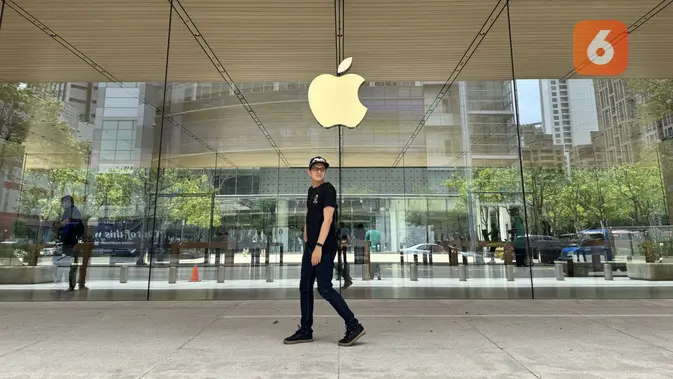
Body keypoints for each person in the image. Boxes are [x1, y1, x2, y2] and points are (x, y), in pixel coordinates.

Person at [284, 156, 365, 347]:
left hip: (324, 247)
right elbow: (311, 215)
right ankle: (305, 330)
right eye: (315, 168)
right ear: (309, 171)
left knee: (325, 288)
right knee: (305, 287)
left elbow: (327, 219)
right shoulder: (311, 191)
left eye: (322, 168)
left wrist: (319, 246)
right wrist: (306, 233)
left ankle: (354, 325)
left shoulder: (328, 189)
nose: (319, 171)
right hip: (311, 246)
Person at [55, 195, 84, 291]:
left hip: (70, 242)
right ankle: (72, 284)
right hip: (72, 241)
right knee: (72, 264)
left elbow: (66, 224)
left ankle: (71, 285)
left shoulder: (70, 211)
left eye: (63, 202)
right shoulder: (74, 211)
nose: (62, 205)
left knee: (71, 264)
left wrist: (60, 227)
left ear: (68, 202)